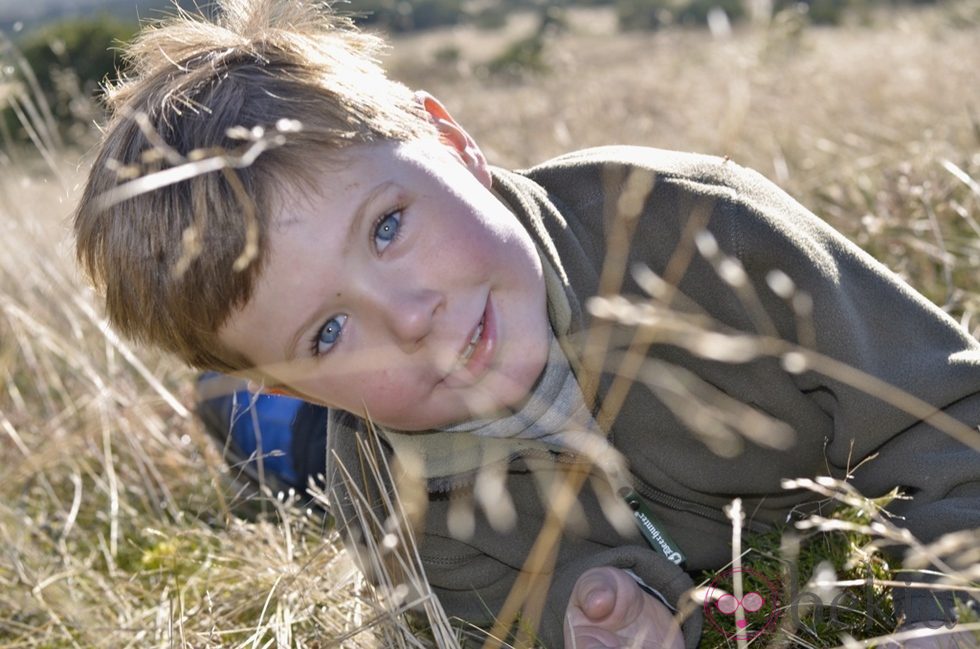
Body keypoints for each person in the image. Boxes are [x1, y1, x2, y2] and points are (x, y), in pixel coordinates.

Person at [72, 1, 979, 647]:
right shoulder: (388, 496)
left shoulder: (695, 227)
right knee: (291, 462)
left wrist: (944, 613)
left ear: (453, 141)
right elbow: (470, 621)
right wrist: (603, 609)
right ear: (286, 369)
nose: (410, 317)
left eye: (388, 227)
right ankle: (243, 416)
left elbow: (953, 417)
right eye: (328, 331)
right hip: (356, 428)